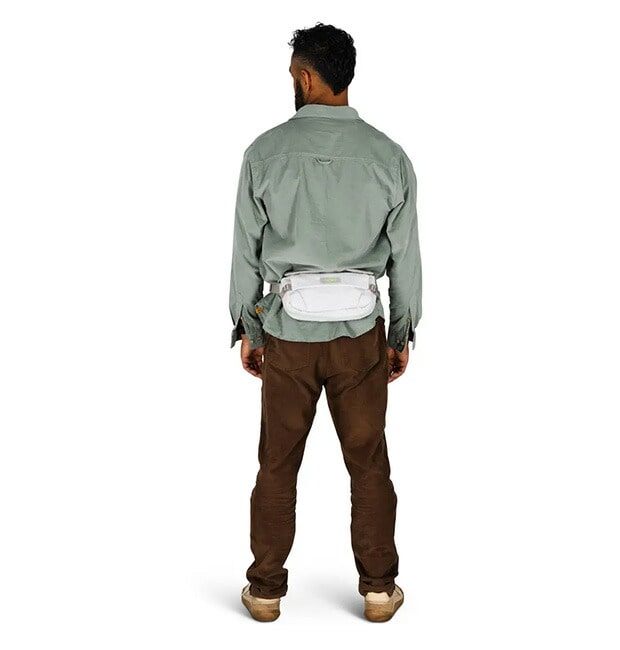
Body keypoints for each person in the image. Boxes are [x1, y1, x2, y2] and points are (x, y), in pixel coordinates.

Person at [228, 22, 422, 623]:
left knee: (277, 462)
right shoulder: (390, 157)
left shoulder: (264, 153)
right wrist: (400, 333)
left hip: (287, 335)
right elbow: (406, 258)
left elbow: (245, 253)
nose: (292, 82)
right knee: (368, 463)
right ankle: (379, 590)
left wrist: (249, 329)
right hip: (360, 337)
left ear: (307, 77)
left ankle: (265, 591)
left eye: (294, 74)